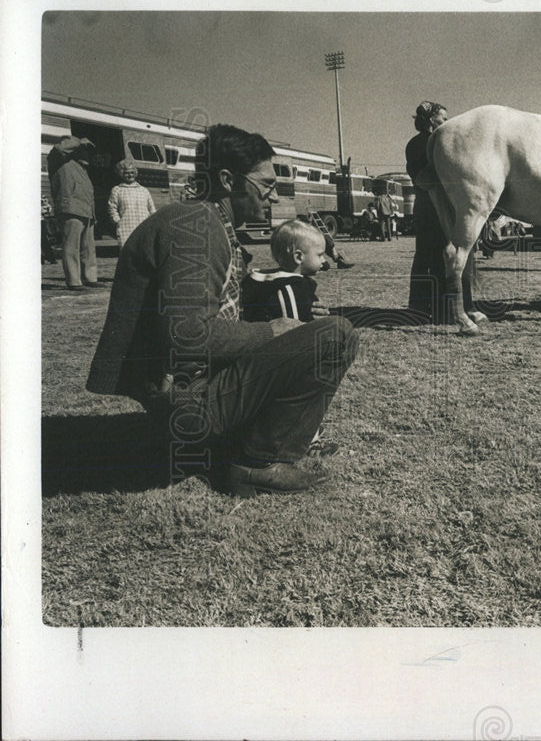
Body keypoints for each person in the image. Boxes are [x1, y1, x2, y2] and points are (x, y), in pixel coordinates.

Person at [86, 123, 358, 497]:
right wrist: (272, 330)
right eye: (266, 185)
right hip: (186, 404)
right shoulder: (196, 227)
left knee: (316, 332)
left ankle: (241, 441)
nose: (274, 197)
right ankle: (256, 461)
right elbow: (187, 336)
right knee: (336, 336)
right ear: (229, 179)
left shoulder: (205, 221)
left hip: (187, 391)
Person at [405, 100, 478, 323]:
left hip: (442, 204)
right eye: (443, 118)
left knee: (452, 255)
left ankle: (459, 305)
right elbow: (424, 178)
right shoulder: (421, 144)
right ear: (431, 119)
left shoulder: (433, 142)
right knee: (434, 256)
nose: (447, 122)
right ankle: (436, 309)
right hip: (430, 207)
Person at [241, 219, 330, 323]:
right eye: (320, 255)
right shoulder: (293, 288)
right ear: (298, 257)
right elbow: (296, 328)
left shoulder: (254, 281)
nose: (324, 261)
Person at [48, 136, 101, 290]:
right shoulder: (59, 161)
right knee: (71, 247)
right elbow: (59, 148)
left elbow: (89, 194)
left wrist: (94, 214)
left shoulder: (84, 170)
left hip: (87, 212)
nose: (87, 156)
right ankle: (73, 281)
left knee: (88, 248)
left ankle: (90, 278)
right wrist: (79, 141)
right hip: (70, 209)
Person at [108, 158, 156, 247]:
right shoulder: (117, 190)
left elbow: (152, 209)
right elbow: (112, 209)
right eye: (126, 173)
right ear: (121, 174)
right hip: (125, 227)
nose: (130, 175)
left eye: (132, 172)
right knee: (127, 254)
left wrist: (152, 223)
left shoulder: (144, 190)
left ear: (135, 173)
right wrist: (118, 222)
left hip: (143, 226)